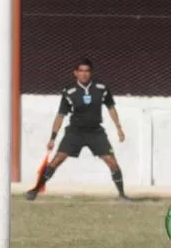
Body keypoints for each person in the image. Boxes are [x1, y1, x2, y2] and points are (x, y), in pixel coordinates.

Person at [26, 57, 129, 201]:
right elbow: (60, 115)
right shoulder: (69, 91)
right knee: (57, 160)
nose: (84, 74)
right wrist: (53, 137)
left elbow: (111, 107)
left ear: (91, 72)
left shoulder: (101, 89)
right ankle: (36, 190)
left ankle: (122, 195)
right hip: (75, 132)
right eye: (81, 71)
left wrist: (119, 128)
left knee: (111, 161)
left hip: (95, 132)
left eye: (87, 71)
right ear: (75, 73)